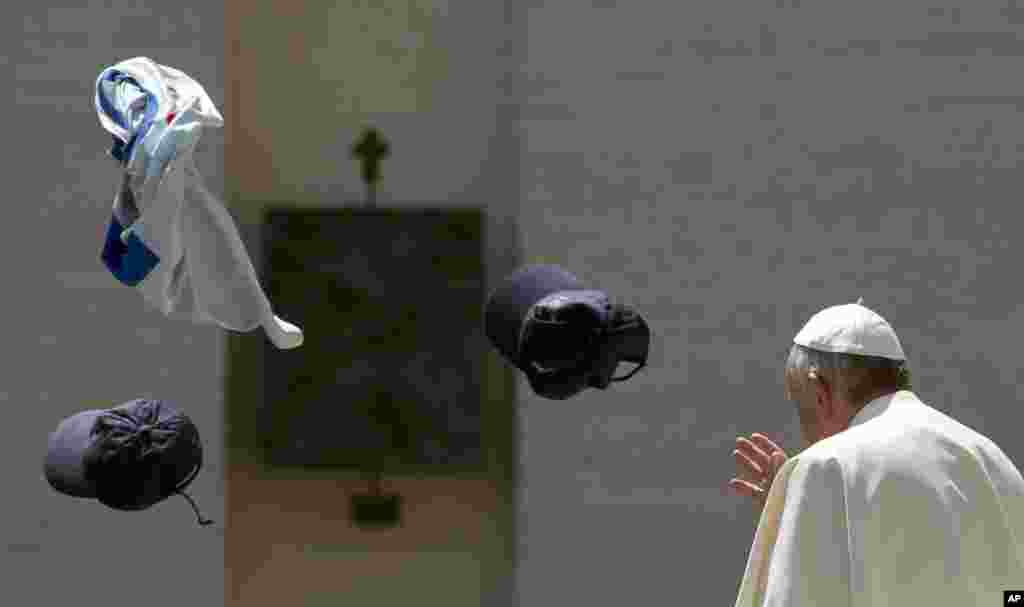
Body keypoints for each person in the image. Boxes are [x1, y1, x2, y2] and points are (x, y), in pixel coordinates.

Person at [729, 299, 1024, 606]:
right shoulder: (991, 460)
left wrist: (800, 501)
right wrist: (792, 508)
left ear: (819, 392)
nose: (805, 433)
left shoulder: (826, 467)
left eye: (799, 407)